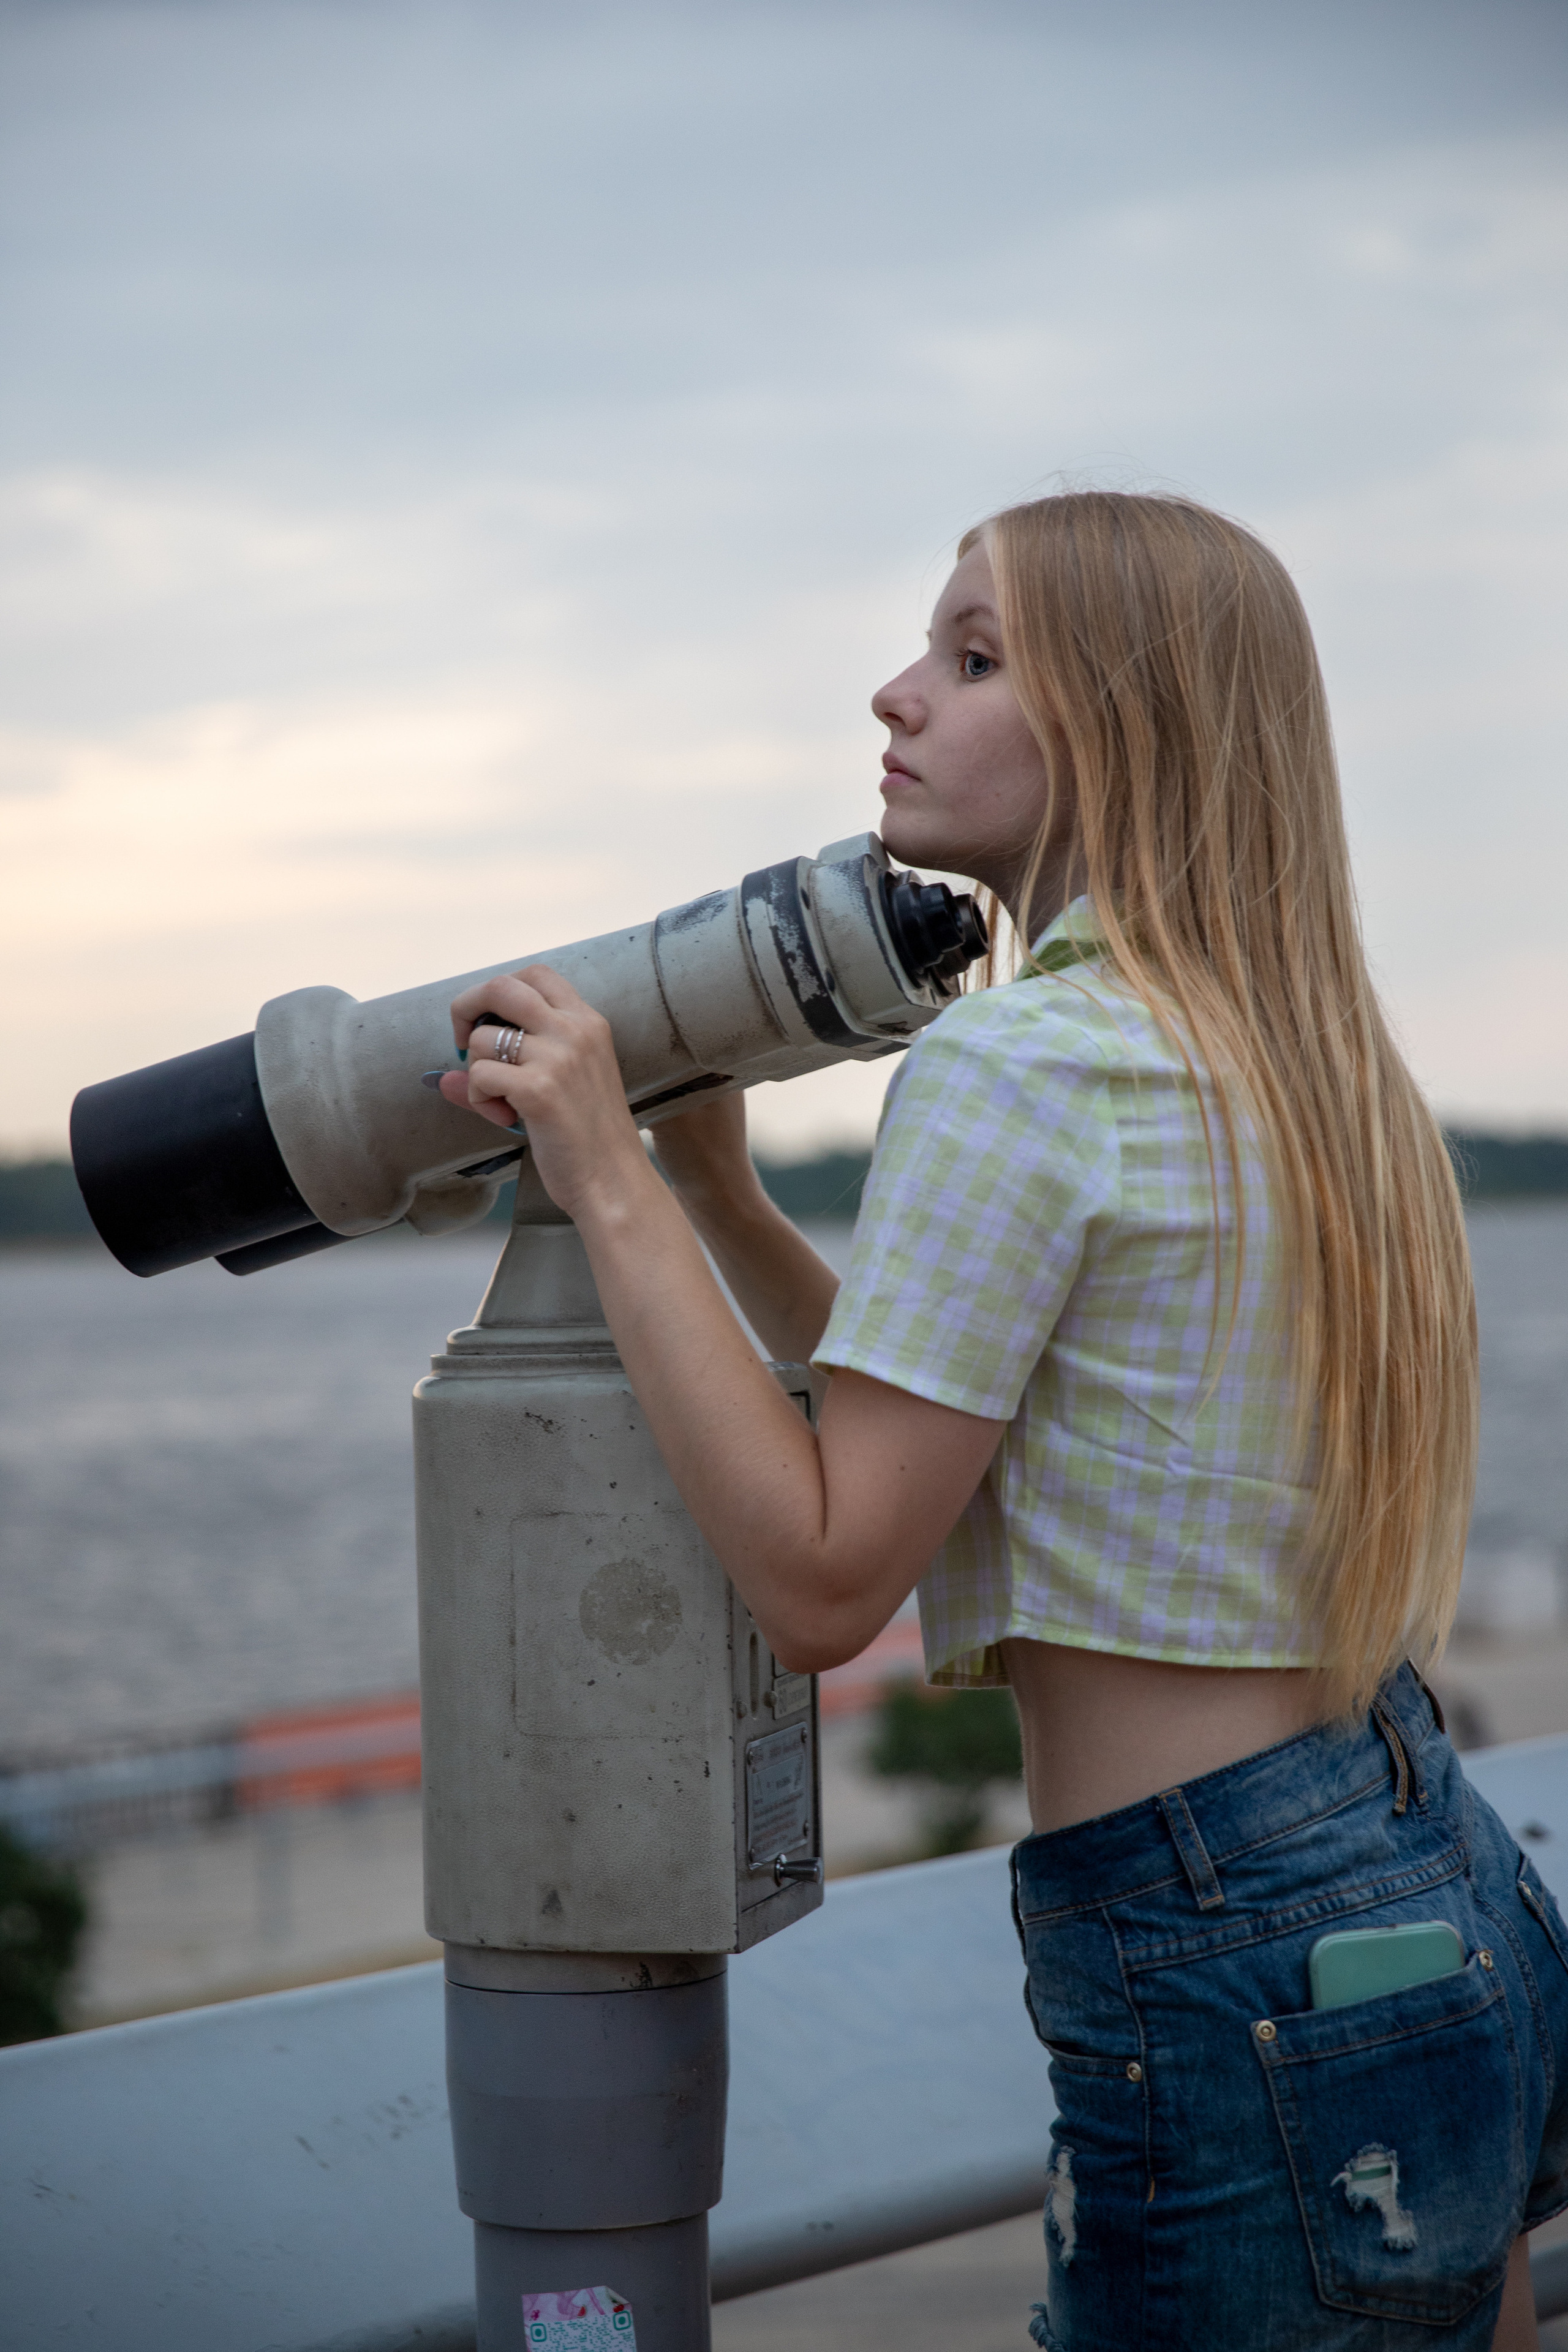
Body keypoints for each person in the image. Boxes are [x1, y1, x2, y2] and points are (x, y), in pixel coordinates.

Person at [437, 492, 1568, 2349]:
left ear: (1127, 726)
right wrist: (723, 1200)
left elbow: (822, 1573)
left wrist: (603, 1177)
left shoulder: (1017, 1063)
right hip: (1425, 1865)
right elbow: (972, 1428)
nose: (897, 695)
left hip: (1228, 1953)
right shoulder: (1295, 1061)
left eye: (972, 657)